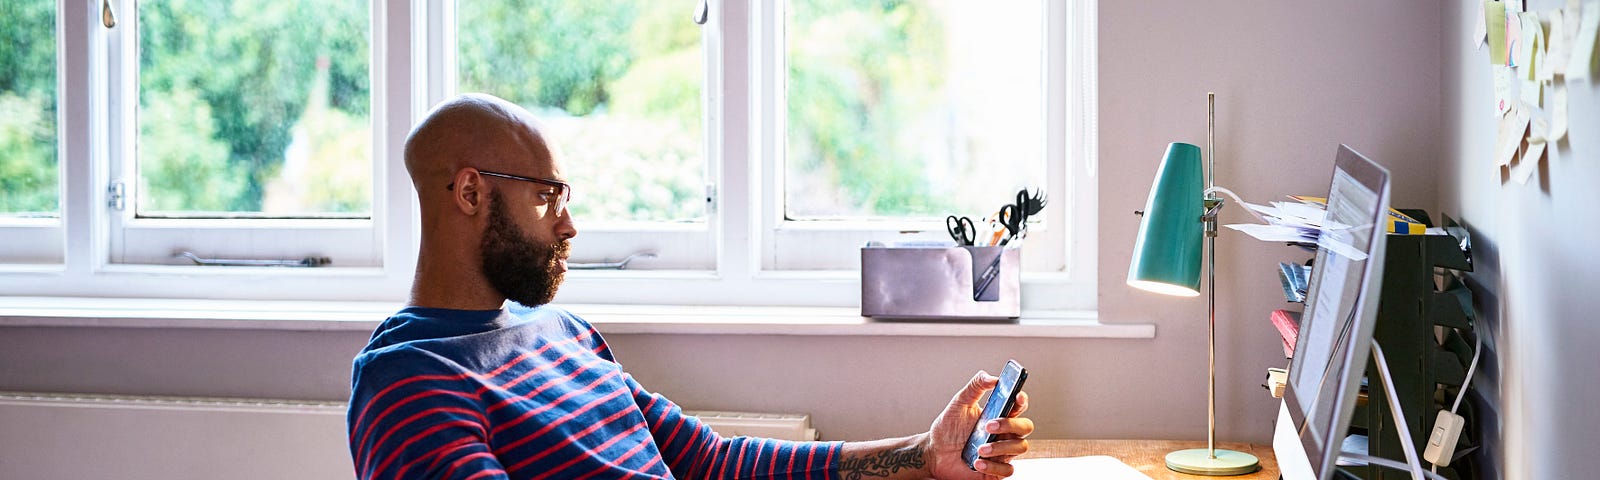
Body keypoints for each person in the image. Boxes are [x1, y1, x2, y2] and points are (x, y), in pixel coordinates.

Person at [347, 93, 1034, 479]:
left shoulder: (566, 334)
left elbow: (711, 461)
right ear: (470, 192)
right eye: (547, 199)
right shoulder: (411, 383)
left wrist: (924, 453)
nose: (569, 226)